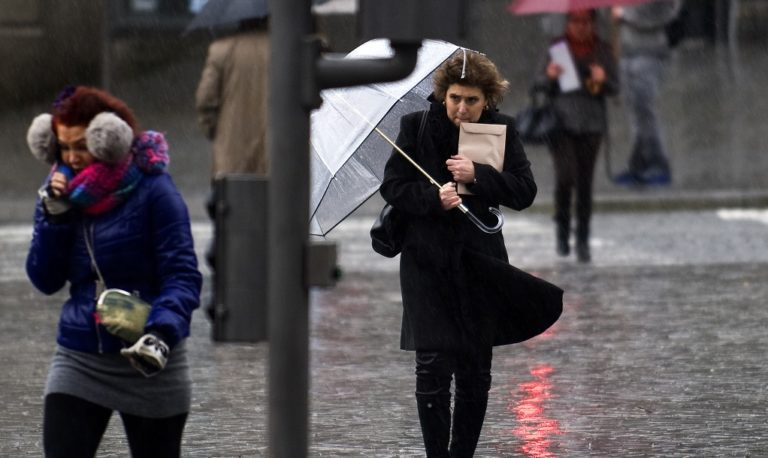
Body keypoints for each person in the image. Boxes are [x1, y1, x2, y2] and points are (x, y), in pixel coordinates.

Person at [26, 86, 202, 457]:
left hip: (151, 357)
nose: (71, 158)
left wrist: (161, 332)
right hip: (80, 357)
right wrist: (53, 218)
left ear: (109, 138)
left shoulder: (156, 191)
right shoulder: (58, 193)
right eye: (63, 147)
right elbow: (45, 280)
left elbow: (183, 274)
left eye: (81, 146)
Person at [379, 50, 537, 457]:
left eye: (472, 100)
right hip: (426, 262)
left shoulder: (502, 129)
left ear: (488, 100)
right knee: (431, 365)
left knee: (474, 370)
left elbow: (524, 190)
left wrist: (479, 176)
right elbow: (393, 187)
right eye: (454, 99)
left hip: (480, 261)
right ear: (442, 95)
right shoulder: (416, 126)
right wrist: (434, 197)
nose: (462, 109)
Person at [195, 17, 270, 318]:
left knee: (232, 228)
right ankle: (268, 299)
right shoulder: (291, 47)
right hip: (279, 156)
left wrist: (219, 134)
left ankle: (234, 301)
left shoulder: (221, 50)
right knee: (274, 228)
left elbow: (205, 102)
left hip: (232, 157)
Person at [536, 9, 619, 263]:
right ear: (568, 23)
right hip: (560, 123)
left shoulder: (602, 50)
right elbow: (537, 84)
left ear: (593, 24)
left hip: (591, 125)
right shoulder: (556, 48)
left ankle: (582, 239)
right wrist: (549, 77)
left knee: (584, 184)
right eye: (576, 22)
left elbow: (615, 88)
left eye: (586, 22)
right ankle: (562, 228)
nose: (581, 27)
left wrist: (603, 80)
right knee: (565, 176)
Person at [612, 0, 683, 187]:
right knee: (633, 109)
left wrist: (624, 14)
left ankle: (658, 162)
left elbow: (659, 13)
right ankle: (639, 162)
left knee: (644, 106)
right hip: (628, 49)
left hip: (651, 51)